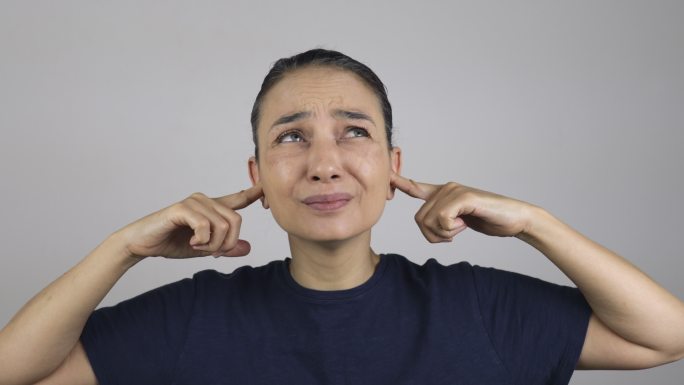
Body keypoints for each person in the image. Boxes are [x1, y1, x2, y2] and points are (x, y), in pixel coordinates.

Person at [1, 48, 683, 385]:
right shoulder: (194, 317)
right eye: (291, 137)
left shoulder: (475, 304)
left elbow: (664, 336)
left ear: (393, 165)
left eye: (353, 132)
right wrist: (124, 247)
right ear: (258, 177)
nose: (324, 163)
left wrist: (536, 221)